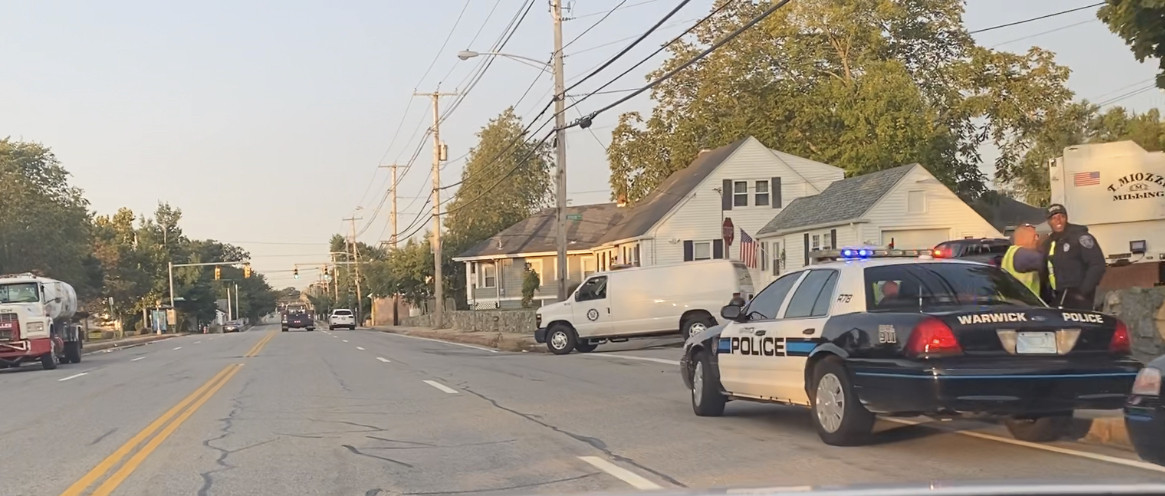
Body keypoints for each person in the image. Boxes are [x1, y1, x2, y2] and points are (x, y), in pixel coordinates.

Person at [1040, 203, 1106, 310]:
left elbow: (1097, 265)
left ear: (1066, 218)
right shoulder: (1049, 242)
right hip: (1057, 297)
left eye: (1061, 216)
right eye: (1054, 218)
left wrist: (1082, 292)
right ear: (1049, 222)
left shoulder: (1080, 237)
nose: (1058, 220)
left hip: (1080, 298)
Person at [1001, 224, 1043, 298]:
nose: (1037, 240)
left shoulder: (1012, 252)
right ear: (1023, 238)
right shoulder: (1022, 254)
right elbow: (1047, 261)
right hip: (1024, 303)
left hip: (1015, 303)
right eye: (1035, 236)